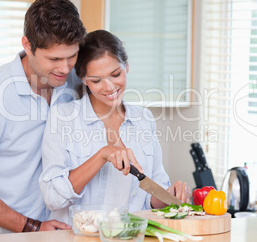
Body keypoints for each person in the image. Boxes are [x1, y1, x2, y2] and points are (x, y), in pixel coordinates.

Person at [0, 0, 86, 235]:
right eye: (54, 59)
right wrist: (32, 227)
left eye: (71, 56)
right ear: (27, 45)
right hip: (7, 236)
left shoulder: (75, 81)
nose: (64, 68)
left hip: (64, 231)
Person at [39, 30, 189, 224]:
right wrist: (103, 154)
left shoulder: (144, 119)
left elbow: (150, 198)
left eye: (115, 74)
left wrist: (169, 195)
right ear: (83, 78)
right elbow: (53, 198)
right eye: (96, 80)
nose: (109, 87)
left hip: (130, 235)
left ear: (126, 66)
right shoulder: (63, 117)